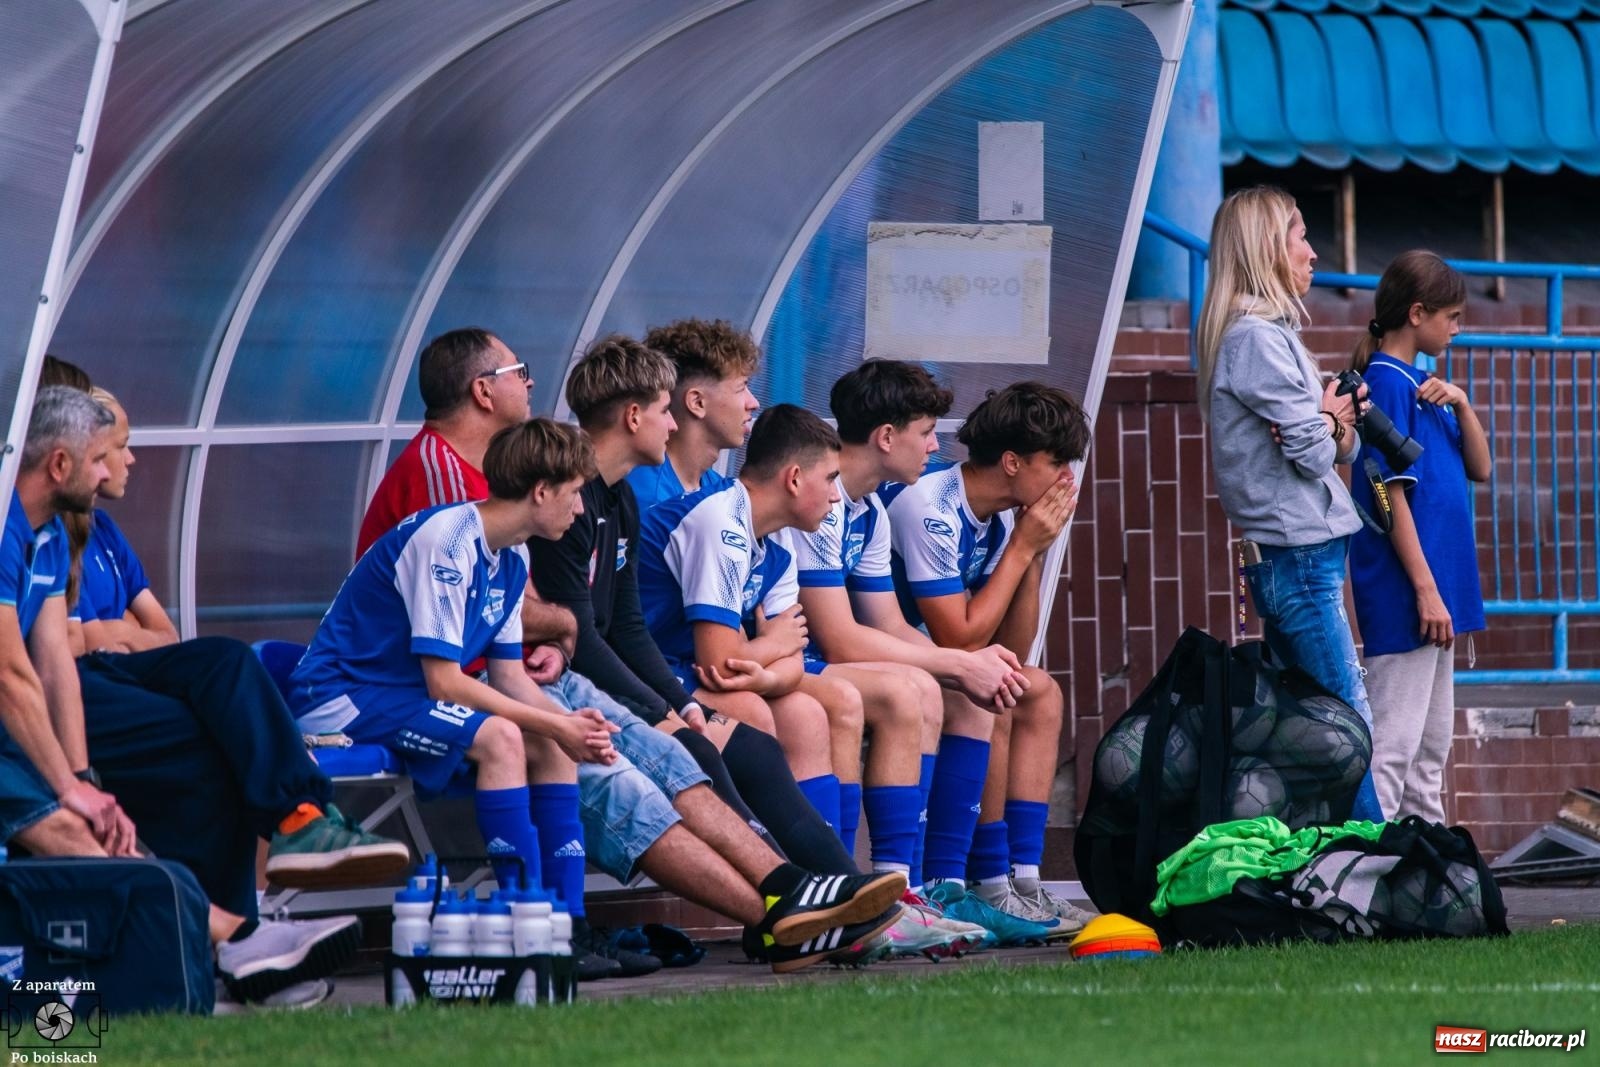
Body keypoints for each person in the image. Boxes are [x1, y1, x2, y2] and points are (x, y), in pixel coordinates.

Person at [329, 415, 906, 973]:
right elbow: (443, 682)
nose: (582, 509)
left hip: (436, 690)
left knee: (660, 755)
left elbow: (509, 675)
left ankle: (788, 887)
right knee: (523, 739)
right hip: (357, 697)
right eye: (573, 494)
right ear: (541, 491)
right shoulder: (448, 538)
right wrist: (558, 725)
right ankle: (764, 921)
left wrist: (568, 721)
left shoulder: (512, 554)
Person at [2, 387, 366, 1006]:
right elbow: (12, 674)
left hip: (23, 725)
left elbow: (56, 667)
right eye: (99, 459)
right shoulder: (5, 526)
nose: (110, 472)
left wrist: (87, 781)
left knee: (141, 789)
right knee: (62, 823)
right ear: (59, 464)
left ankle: (230, 938)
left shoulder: (51, 535)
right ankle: (232, 939)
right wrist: (70, 789)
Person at [530, 336, 858, 879]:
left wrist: (678, 702)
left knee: (756, 745)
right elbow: (583, 636)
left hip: (623, 676)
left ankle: (841, 888)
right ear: (633, 417)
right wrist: (665, 705)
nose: (672, 424)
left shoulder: (619, 498)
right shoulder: (574, 497)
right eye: (665, 411)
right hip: (570, 684)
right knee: (711, 744)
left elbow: (626, 625)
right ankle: (789, 890)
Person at [1196, 185, 1383, 822]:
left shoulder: (1275, 336)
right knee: (1345, 720)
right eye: (1300, 235)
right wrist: (1328, 421)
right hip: (1298, 558)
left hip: (1305, 555)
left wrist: (1332, 421)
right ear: (1266, 248)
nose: (1312, 252)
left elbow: (1341, 449)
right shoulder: (1254, 339)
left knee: (1312, 721)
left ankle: (1323, 850)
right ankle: (1376, 856)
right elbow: (1312, 452)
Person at [882, 380, 1089, 941]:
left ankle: (1024, 880)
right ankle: (983, 884)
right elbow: (959, 637)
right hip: (884, 655)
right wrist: (1022, 546)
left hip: (935, 658)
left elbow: (1014, 651)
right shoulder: (930, 506)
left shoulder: (1001, 518)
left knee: (1038, 690)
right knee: (990, 691)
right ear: (1013, 462)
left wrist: (1032, 552)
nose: (1065, 480)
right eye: (1057, 463)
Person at [635, 406, 870, 849]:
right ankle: (785, 873)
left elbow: (791, 658)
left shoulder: (779, 536)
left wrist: (767, 673)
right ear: (794, 478)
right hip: (643, 671)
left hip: (689, 666)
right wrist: (772, 645)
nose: (836, 497)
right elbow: (721, 663)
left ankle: (834, 867)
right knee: (752, 710)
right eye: (830, 479)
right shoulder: (720, 521)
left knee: (804, 715)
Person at [1347, 252, 1488, 823]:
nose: (1457, 328)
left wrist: (1463, 403)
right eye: (1451, 317)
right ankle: (1362, 869)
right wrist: (1426, 591)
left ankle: (1422, 866)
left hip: (1439, 599)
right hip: (1410, 597)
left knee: (1429, 756)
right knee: (1393, 750)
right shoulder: (1385, 383)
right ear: (1416, 313)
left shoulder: (1426, 386)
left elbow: (1480, 468)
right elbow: (1388, 495)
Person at [624, 318, 756, 514]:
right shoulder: (648, 502)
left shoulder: (719, 490)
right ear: (697, 402)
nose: (753, 403)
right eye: (741, 388)